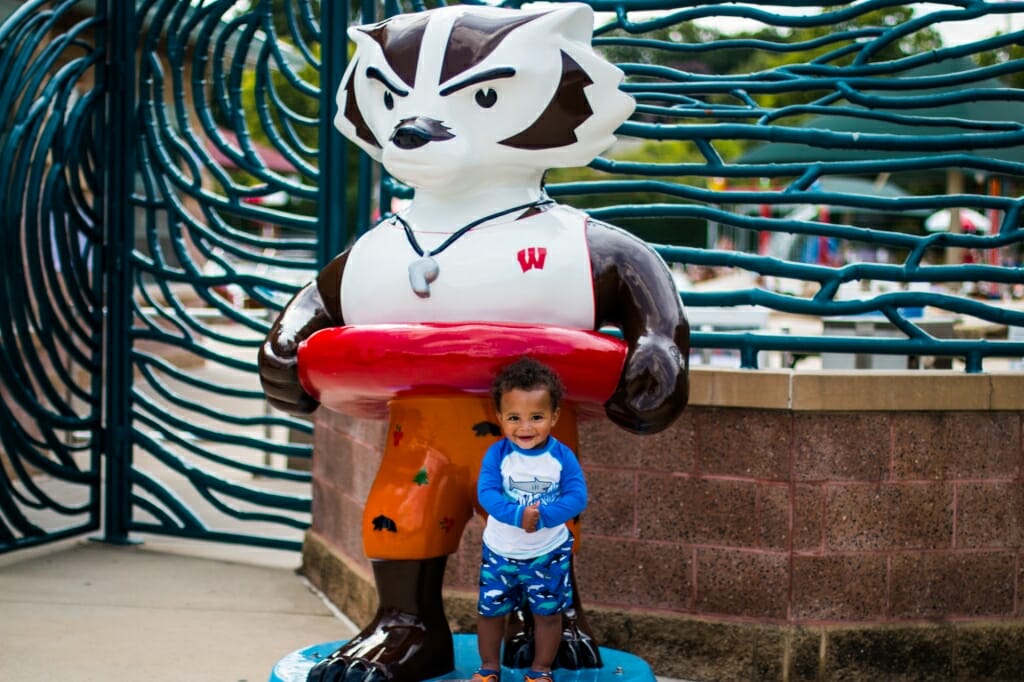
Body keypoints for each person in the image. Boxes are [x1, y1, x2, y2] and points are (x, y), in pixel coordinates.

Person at [473, 357, 589, 682]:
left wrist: (543, 518)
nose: (525, 428)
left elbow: (577, 497)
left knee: (548, 614)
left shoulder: (561, 457)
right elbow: (487, 493)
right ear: (499, 418)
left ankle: (540, 670)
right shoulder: (497, 455)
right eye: (514, 418)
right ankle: (488, 668)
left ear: (553, 416)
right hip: (500, 551)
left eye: (536, 417)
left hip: (547, 552)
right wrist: (516, 515)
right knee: (491, 611)